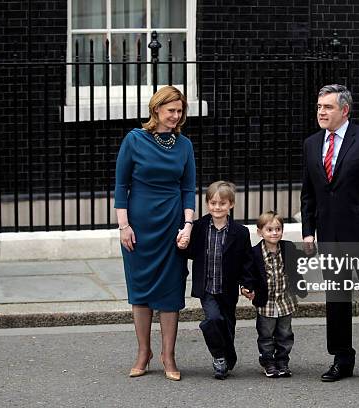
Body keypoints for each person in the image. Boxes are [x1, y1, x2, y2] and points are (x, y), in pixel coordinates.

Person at [300, 84, 359, 386]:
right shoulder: (312, 144)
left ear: (344, 110)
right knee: (336, 299)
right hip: (329, 234)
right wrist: (307, 231)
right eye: (319, 107)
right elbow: (308, 193)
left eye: (327, 107)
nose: (321, 112)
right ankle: (342, 358)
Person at [115, 86, 195, 382]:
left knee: (171, 291)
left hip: (172, 225)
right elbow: (121, 186)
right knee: (141, 290)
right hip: (138, 226)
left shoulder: (184, 145)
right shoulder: (134, 140)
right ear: (156, 110)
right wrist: (124, 226)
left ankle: (168, 355)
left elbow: (188, 189)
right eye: (171, 110)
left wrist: (187, 225)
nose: (176, 116)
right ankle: (143, 352)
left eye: (180, 111)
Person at [178, 181, 254, 380]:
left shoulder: (240, 232)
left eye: (222, 204)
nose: (217, 207)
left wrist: (247, 284)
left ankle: (228, 355)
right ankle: (219, 356)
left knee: (227, 325)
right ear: (207, 204)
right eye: (213, 203)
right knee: (213, 319)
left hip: (227, 288)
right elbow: (191, 252)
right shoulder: (199, 227)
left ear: (231, 205)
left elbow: (247, 261)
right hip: (207, 287)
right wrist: (182, 244)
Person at [241, 211, 307, 378]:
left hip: (286, 301)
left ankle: (282, 361)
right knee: (266, 335)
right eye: (269, 229)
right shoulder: (254, 252)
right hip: (266, 302)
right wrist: (246, 287)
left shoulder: (288, 247)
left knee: (285, 334)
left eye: (278, 229)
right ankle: (268, 362)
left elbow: (298, 266)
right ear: (260, 232)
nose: (274, 233)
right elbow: (248, 272)